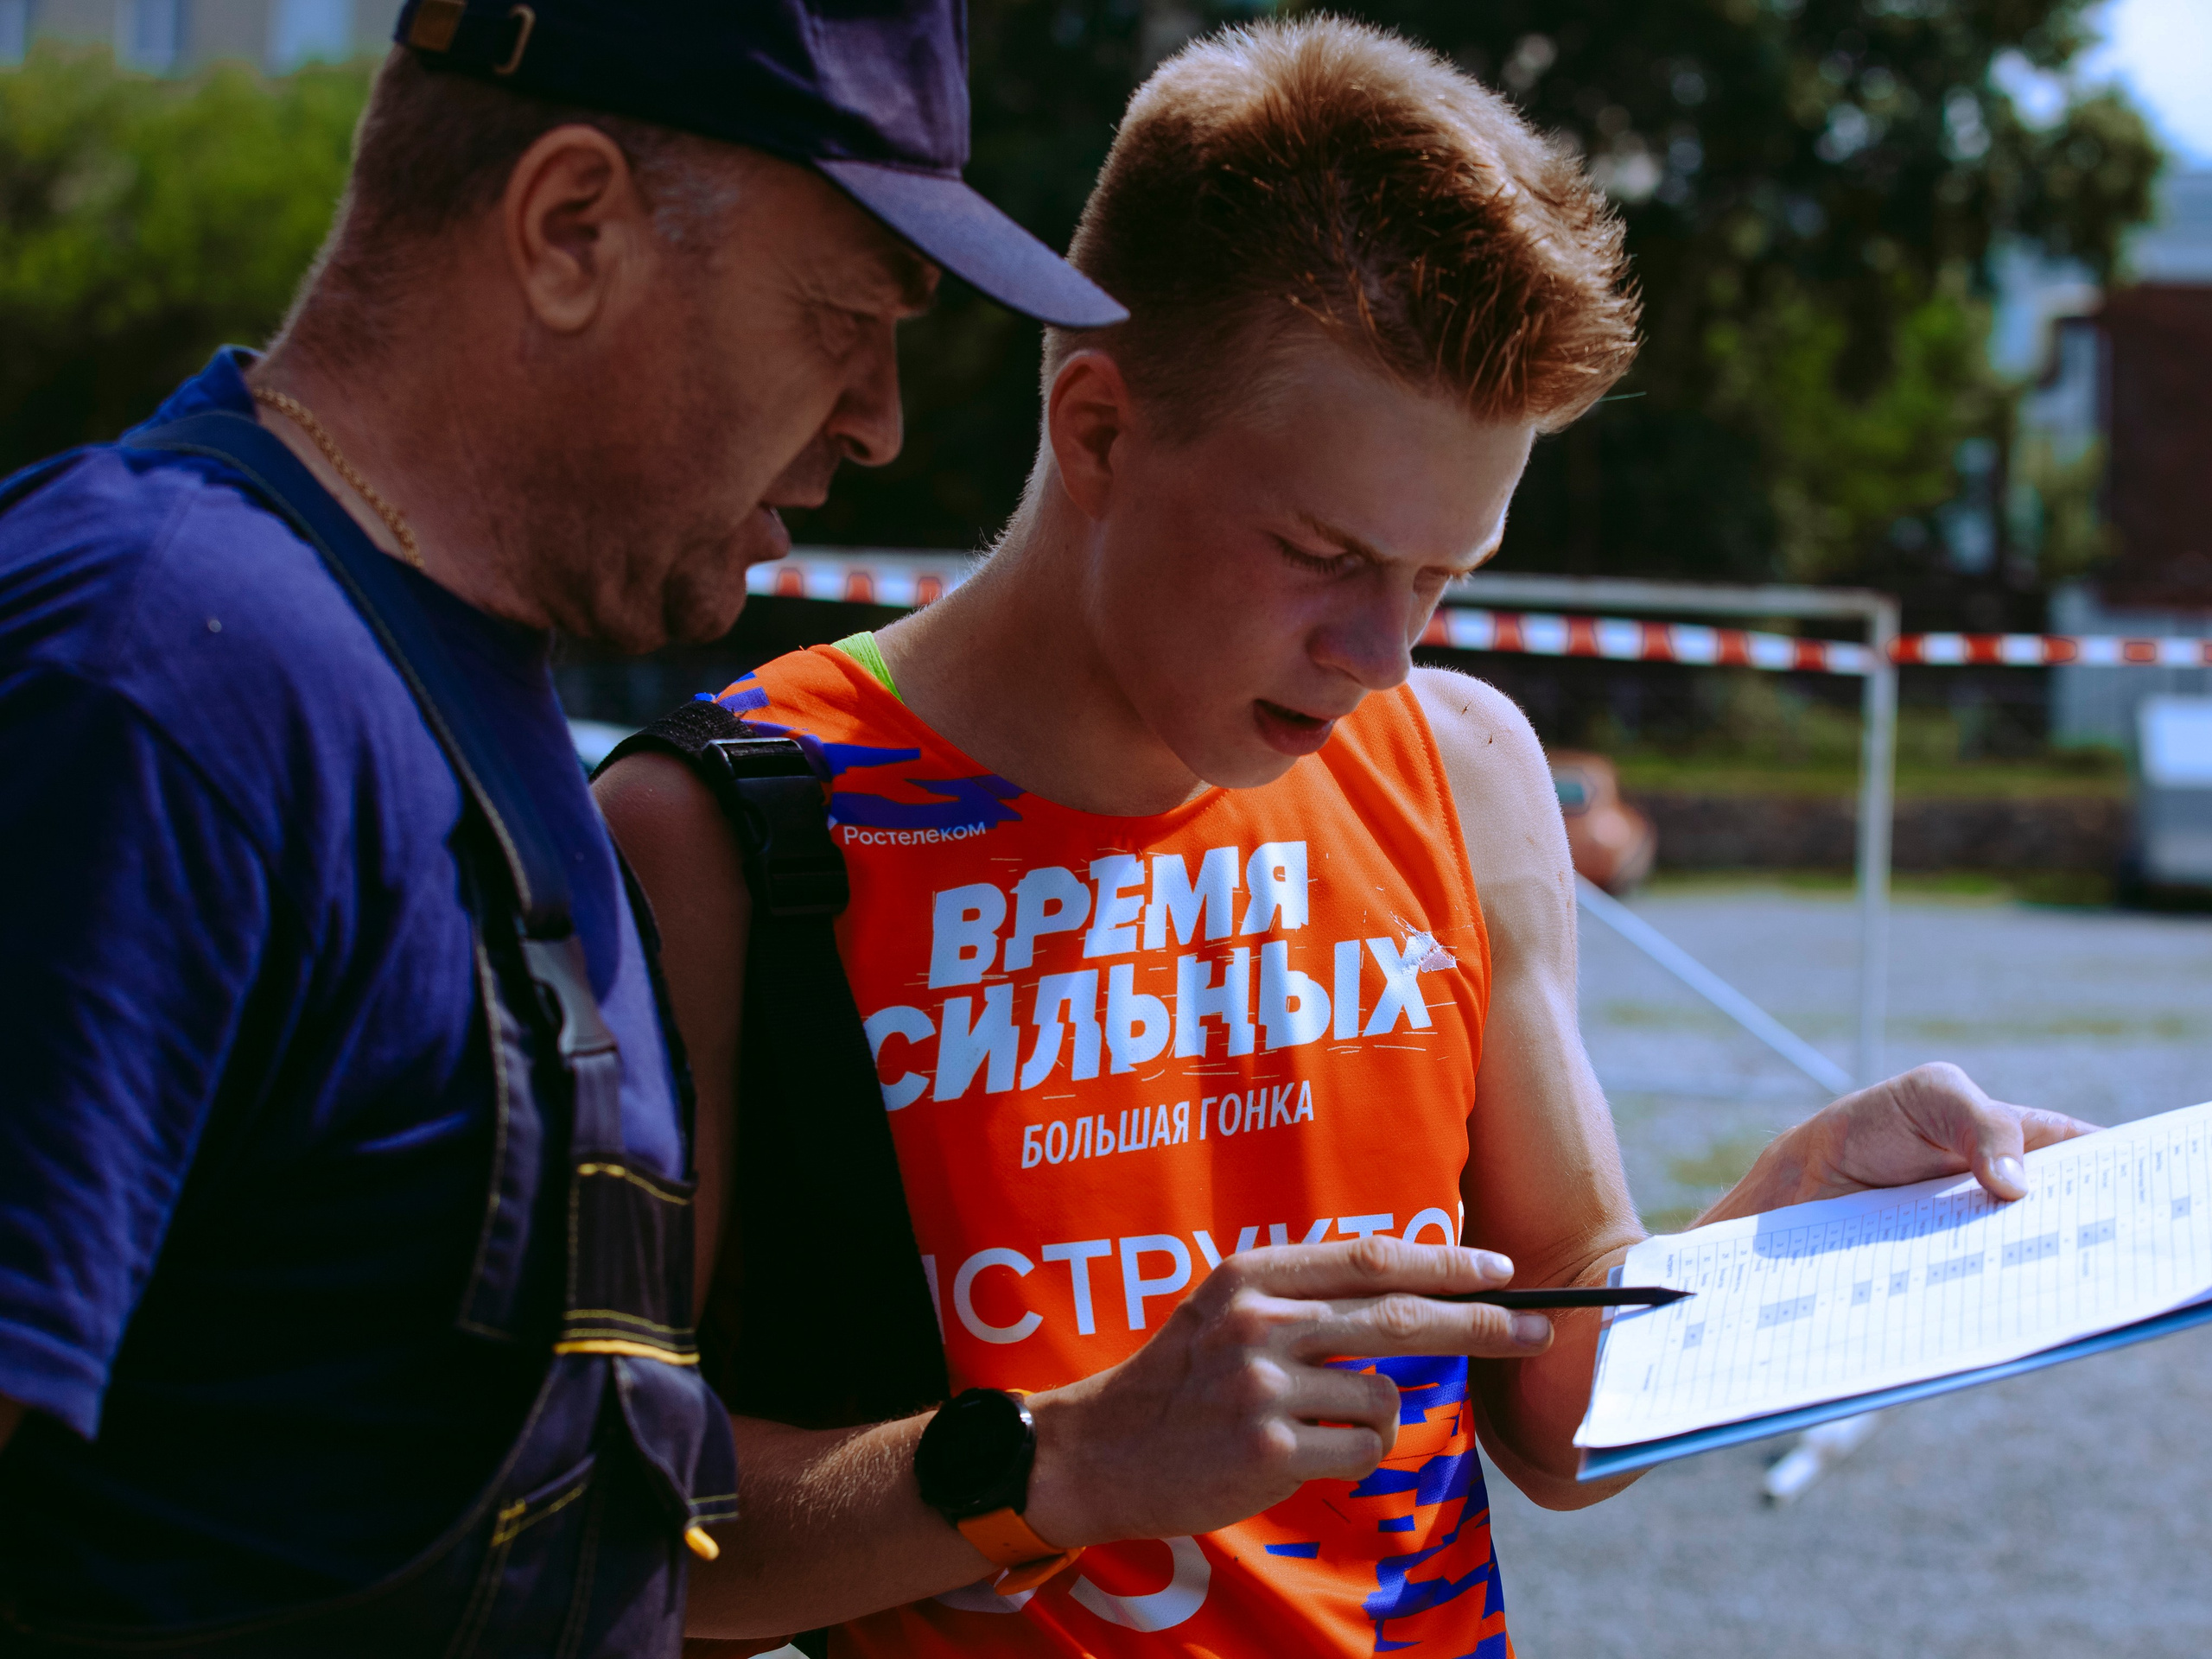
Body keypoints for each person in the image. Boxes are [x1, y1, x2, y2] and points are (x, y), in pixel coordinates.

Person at [597, 18, 2098, 1658]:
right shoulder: (717, 836)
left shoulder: (1459, 767)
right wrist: (1068, 1465)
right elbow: (598, 1542)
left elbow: (1556, 1407)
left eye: (1446, 578)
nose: (1384, 655)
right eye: (1324, 553)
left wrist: (1800, 1213)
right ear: (1096, 430)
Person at [0, 0, 1122, 1651]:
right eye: (839, 317)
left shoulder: (438, 672)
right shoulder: (162, 673)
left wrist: (1061, 1465)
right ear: (571, 229)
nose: (879, 418)